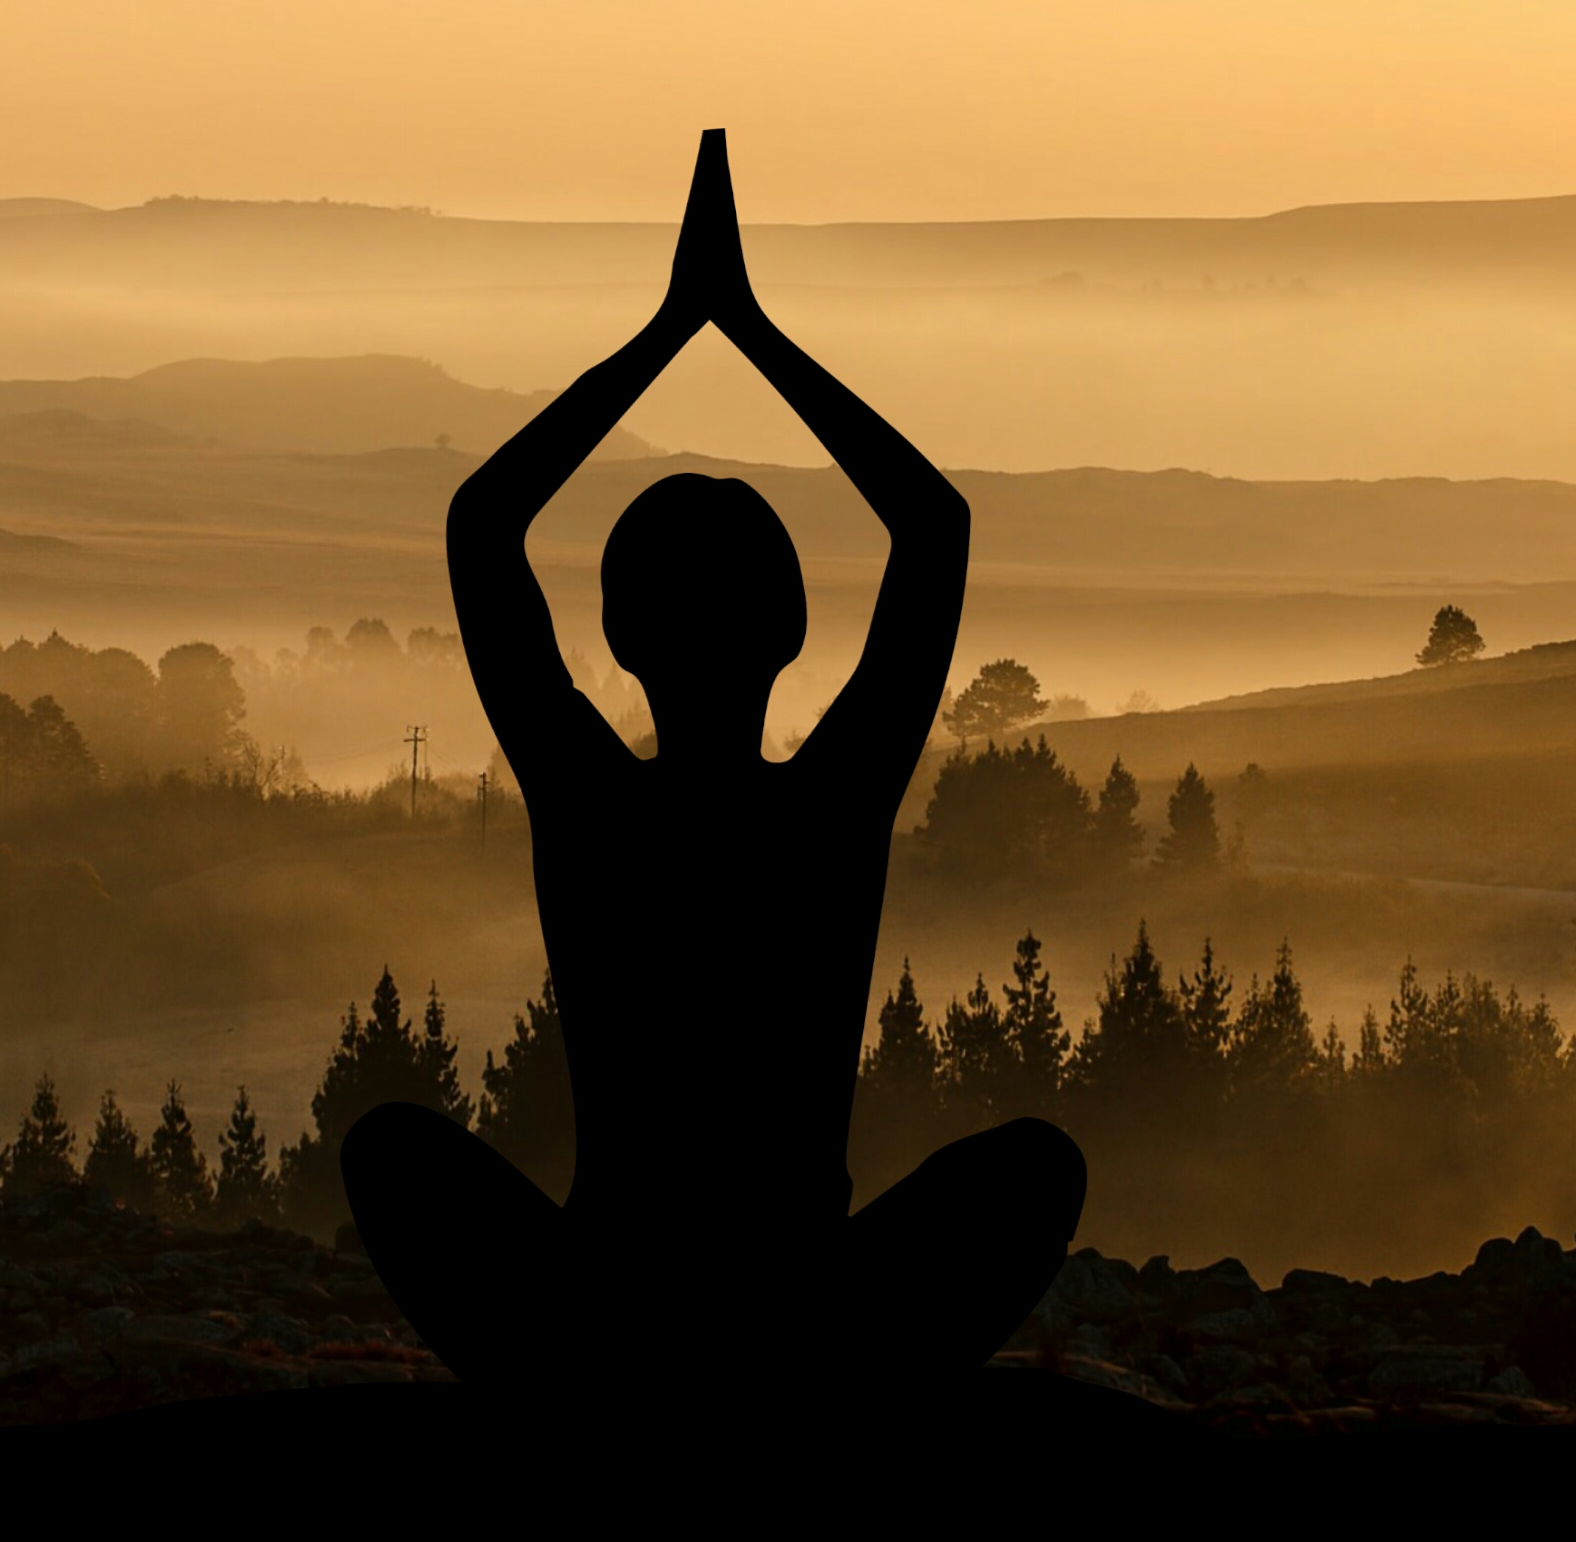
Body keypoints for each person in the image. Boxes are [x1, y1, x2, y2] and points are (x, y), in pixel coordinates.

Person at [343, 131, 1084, 1385]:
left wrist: (670, 329)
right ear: (794, 634)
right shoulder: (832, 807)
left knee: (391, 1152)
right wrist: (746, 327)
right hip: (804, 1307)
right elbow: (933, 527)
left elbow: (483, 526)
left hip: (606, 1303)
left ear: (621, 639)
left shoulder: (591, 803)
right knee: (1036, 1171)